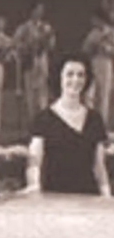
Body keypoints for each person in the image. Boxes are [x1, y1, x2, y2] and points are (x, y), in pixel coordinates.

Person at [26, 52, 111, 196]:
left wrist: (106, 196)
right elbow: (34, 163)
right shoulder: (43, 119)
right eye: (69, 74)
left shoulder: (95, 119)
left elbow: (99, 167)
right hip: (54, 199)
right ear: (59, 78)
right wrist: (34, 189)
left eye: (80, 75)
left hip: (89, 199)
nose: (75, 79)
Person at [14, 2, 56, 123]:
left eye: (41, 10)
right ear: (31, 11)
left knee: (43, 89)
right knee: (30, 90)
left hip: (42, 58)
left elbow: (52, 45)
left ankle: (43, 118)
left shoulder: (46, 27)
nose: (39, 13)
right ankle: (32, 118)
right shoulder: (24, 28)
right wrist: (27, 46)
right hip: (29, 59)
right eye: (37, 10)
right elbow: (16, 43)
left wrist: (48, 41)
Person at [81, 8, 114, 127]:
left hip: (105, 63)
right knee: (89, 94)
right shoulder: (93, 33)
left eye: (94, 19)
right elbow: (85, 49)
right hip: (93, 62)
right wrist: (92, 47)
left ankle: (102, 124)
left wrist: (106, 48)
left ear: (100, 19)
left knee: (103, 94)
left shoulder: (110, 32)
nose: (93, 21)